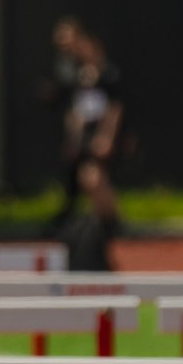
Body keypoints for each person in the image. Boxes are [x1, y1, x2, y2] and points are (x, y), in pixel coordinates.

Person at [51, 18, 123, 271]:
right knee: (83, 181)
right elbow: (76, 110)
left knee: (94, 178)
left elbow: (114, 108)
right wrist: (73, 137)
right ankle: (94, 234)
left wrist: (107, 136)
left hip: (100, 137)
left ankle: (112, 223)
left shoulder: (108, 74)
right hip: (83, 137)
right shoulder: (77, 74)